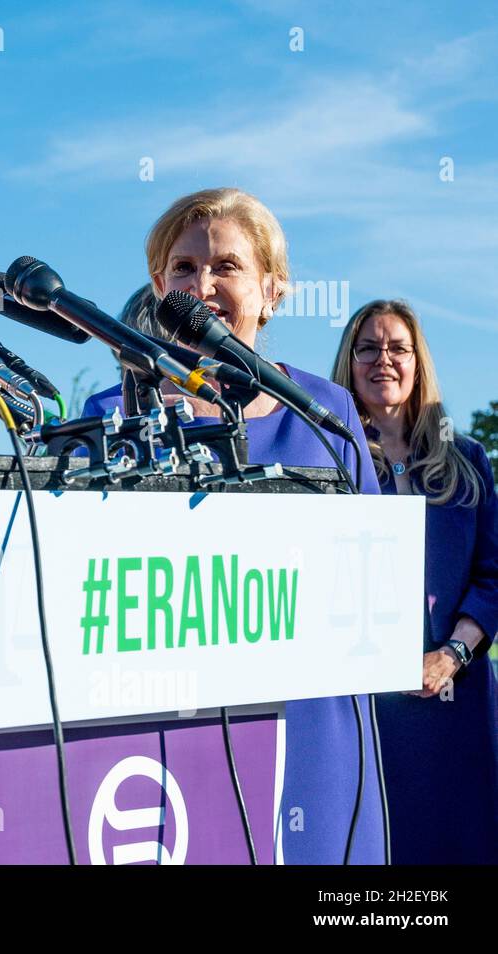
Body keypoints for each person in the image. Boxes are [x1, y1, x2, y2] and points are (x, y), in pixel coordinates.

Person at [82, 188, 383, 864]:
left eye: (226, 267)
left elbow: (374, 571)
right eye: (183, 269)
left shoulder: (325, 410)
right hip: (160, 732)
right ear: (159, 286)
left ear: (272, 291)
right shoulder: (108, 413)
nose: (203, 285)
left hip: (311, 723)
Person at [332, 298, 498, 863]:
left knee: (461, 839)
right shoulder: (330, 461)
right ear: (349, 362)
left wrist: (450, 654)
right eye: (369, 348)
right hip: (363, 705)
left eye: (398, 348)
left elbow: (492, 575)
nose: (384, 360)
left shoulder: (468, 459)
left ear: (417, 361)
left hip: (458, 696)